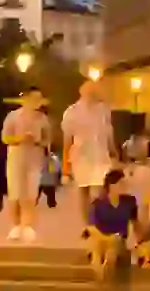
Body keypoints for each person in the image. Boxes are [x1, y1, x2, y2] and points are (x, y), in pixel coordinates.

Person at [61, 81, 115, 228]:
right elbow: (67, 141)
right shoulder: (71, 113)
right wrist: (65, 167)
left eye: (95, 91)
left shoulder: (103, 110)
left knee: (102, 190)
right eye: (90, 92)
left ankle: (100, 221)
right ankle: (89, 226)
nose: (94, 94)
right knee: (84, 191)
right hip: (81, 157)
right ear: (82, 92)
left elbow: (108, 133)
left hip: (101, 156)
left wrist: (114, 152)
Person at [2, 88, 51, 242]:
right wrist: (19, 138)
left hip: (34, 157)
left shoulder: (43, 119)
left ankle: (28, 225)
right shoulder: (13, 116)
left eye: (40, 99)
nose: (37, 102)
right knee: (15, 192)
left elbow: (47, 140)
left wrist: (37, 141)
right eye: (35, 98)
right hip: (16, 156)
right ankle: (15, 226)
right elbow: (5, 138)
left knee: (31, 193)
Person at [85, 169, 137, 282]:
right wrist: (107, 238)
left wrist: (141, 244)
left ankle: (105, 275)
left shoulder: (130, 201)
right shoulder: (98, 204)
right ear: (112, 185)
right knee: (96, 246)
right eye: (121, 183)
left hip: (118, 240)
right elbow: (91, 228)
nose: (125, 186)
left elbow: (136, 224)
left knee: (112, 249)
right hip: (100, 238)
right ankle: (99, 273)